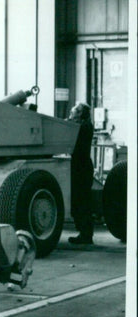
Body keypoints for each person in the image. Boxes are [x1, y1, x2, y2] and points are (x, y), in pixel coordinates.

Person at [68, 102, 95, 245]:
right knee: (81, 200)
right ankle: (84, 233)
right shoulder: (85, 125)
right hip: (81, 166)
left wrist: (68, 123)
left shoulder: (84, 127)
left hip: (81, 168)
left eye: (74, 111)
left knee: (82, 200)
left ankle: (86, 235)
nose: (72, 113)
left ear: (80, 114)